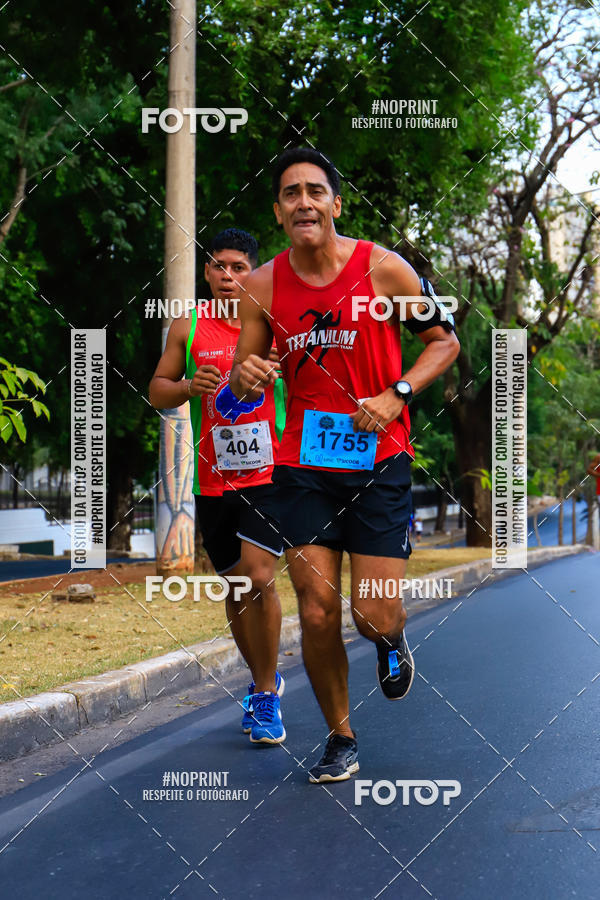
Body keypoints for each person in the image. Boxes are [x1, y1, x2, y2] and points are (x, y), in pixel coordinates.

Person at [230, 147, 460, 782]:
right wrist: (244, 376)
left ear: (335, 203)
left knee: (371, 611)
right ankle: (340, 737)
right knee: (316, 608)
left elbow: (445, 342)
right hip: (303, 464)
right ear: (278, 213)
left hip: (380, 459)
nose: (303, 201)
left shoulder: (385, 270)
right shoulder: (261, 286)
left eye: (314, 191)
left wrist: (398, 394)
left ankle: (390, 637)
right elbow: (242, 381)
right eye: (290, 194)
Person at [149, 227, 287, 745]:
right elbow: (157, 390)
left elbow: (309, 390)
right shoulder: (188, 327)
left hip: (269, 473)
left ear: (255, 272)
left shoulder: (275, 327)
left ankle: (268, 694)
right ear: (207, 272)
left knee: (259, 576)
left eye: (238, 267)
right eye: (218, 266)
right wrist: (188, 385)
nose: (228, 277)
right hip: (212, 478)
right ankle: (262, 683)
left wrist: (277, 380)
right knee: (235, 586)